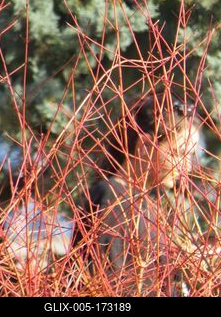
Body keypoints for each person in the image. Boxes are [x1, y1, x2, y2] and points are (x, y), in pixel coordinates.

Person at [72, 93, 200, 295]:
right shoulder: (112, 198)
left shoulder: (149, 207)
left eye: (190, 155)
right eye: (179, 152)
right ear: (145, 145)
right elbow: (103, 286)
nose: (187, 166)